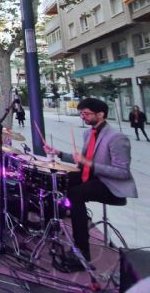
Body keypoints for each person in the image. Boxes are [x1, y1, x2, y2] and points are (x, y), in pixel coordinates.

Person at [44, 98, 137, 269]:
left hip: (110, 185)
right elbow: (83, 160)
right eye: (81, 114)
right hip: (91, 176)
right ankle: (49, 226)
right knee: (54, 180)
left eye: (86, 113)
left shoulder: (117, 137)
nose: (83, 117)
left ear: (100, 114)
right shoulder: (89, 133)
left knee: (76, 194)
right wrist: (58, 153)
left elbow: (123, 172)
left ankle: (82, 253)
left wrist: (89, 164)